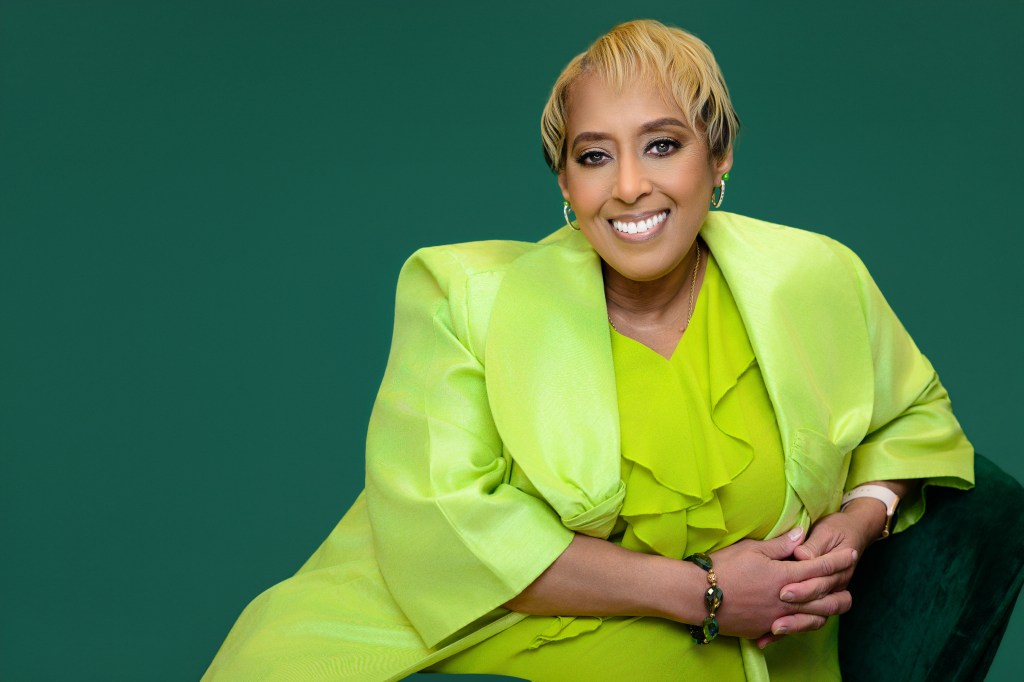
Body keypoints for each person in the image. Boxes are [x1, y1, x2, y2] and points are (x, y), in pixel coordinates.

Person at [203, 19, 973, 682]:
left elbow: (911, 415)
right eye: (595, 156)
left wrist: (861, 517)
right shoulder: (466, 299)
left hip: (769, 654)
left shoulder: (814, 278)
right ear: (566, 183)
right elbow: (454, 531)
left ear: (719, 155)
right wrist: (703, 592)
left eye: (662, 145)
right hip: (515, 635)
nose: (630, 187)